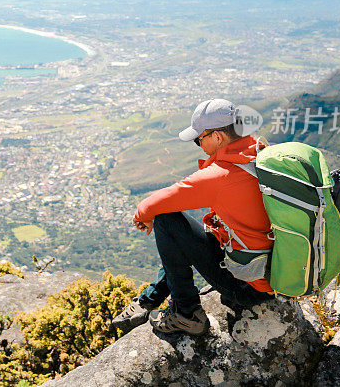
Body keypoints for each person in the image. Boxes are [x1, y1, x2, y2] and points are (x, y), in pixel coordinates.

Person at [111, 98, 275, 336]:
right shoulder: (260, 151)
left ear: (218, 137)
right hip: (270, 271)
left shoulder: (221, 175)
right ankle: (149, 299)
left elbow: (151, 206)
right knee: (190, 231)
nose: (199, 145)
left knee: (167, 221)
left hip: (250, 287)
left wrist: (144, 216)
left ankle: (187, 314)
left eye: (199, 139)